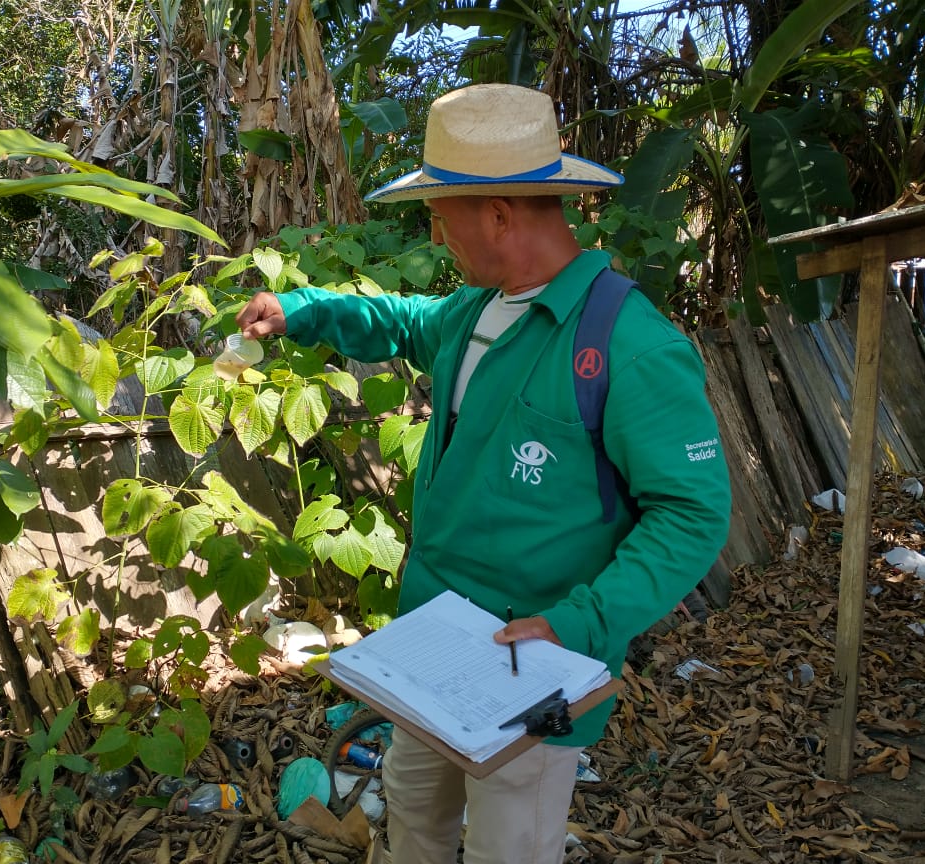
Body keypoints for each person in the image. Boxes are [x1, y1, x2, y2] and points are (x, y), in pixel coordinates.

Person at [237, 83, 731, 864]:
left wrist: (578, 623)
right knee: (415, 815)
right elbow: (399, 318)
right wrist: (302, 309)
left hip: (533, 669)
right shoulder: (474, 310)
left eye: (444, 216)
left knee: (511, 845)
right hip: (433, 645)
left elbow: (693, 515)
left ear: (499, 215)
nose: (439, 235)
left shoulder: (630, 344)